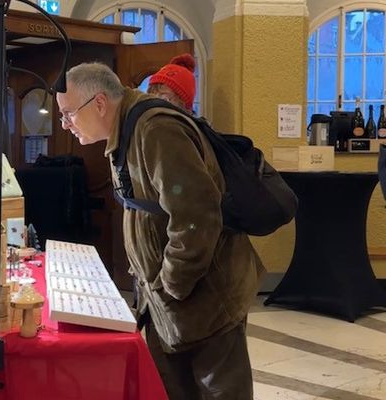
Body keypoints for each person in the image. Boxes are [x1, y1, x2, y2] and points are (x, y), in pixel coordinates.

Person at [56, 62, 264, 400]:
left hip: (205, 298)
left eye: (68, 114)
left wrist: (171, 285)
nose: (66, 125)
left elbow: (196, 216)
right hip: (167, 301)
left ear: (98, 103)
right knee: (169, 389)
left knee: (220, 390)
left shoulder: (155, 130)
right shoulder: (125, 131)